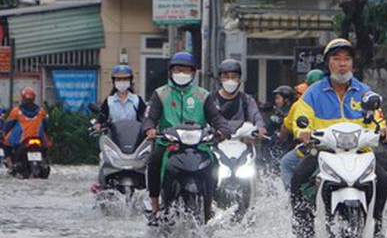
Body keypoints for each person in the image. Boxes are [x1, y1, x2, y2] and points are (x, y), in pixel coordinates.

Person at [289, 37, 387, 238]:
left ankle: (377, 225)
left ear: (353, 63)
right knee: (298, 179)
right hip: (324, 152)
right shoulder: (313, 93)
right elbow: (301, 118)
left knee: (382, 180)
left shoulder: (365, 92)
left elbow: (378, 118)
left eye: (347, 59)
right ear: (328, 63)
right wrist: (303, 132)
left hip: (360, 153)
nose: (342, 63)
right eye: (337, 59)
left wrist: (384, 131)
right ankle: (304, 230)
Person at [142, 51, 229, 223]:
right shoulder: (161, 94)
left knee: (215, 163)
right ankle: (155, 205)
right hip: (169, 144)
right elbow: (150, 117)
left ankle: (210, 202)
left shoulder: (203, 95)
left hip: (199, 146)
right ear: (171, 72)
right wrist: (150, 129)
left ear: (193, 73)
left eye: (186, 71)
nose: (182, 74)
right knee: (154, 161)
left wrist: (223, 130)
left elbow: (216, 117)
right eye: (178, 70)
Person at [278, 69, 333, 189]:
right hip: (342, 147)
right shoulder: (334, 99)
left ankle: (291, 196)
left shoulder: (301, 103)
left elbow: (287, 127)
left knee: (286, 163)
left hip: (315, 147)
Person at [205, 58, 267, 138]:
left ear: (239, 79)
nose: (230, 81)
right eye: (226, 77)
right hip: (215, 143)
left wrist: (260, 126)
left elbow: (255, 115)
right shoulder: (210, 98)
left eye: (234, 77)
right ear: (220, 79)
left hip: (241, 142)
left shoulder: (246, 100)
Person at [3, 87, 50, 169]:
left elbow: (8, 125)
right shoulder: (41, 111)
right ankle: (44, 162)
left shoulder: (16, 111)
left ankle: (10, 165)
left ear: (23, 98)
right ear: (34, 98)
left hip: (21, 141)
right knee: (45, 147)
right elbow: (46, 125)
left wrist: (4, 132)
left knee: (5, 144)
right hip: (38, 138)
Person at [92, 64, 147, 131]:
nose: (122, 82)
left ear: (130, 81)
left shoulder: (137, 100)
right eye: (119, 79)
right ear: (113, 82)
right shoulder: (109, 101)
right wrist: (98, 124)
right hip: (113, 138)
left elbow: (145, 119)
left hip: (135, 137)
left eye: (125, 79)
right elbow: (102, 118)